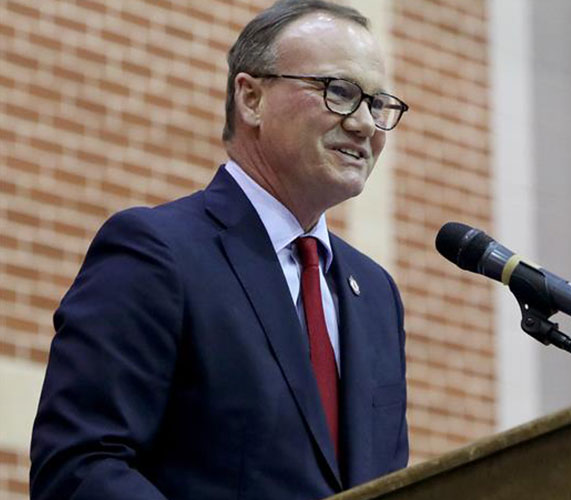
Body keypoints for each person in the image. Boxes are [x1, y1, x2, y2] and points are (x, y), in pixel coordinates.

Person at [29, 1, 409, 498]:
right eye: (339, 92)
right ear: (251, 99)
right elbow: (78, 467)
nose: (364, 125)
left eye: (378, 104)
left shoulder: (376, 293)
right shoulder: (157, 252)